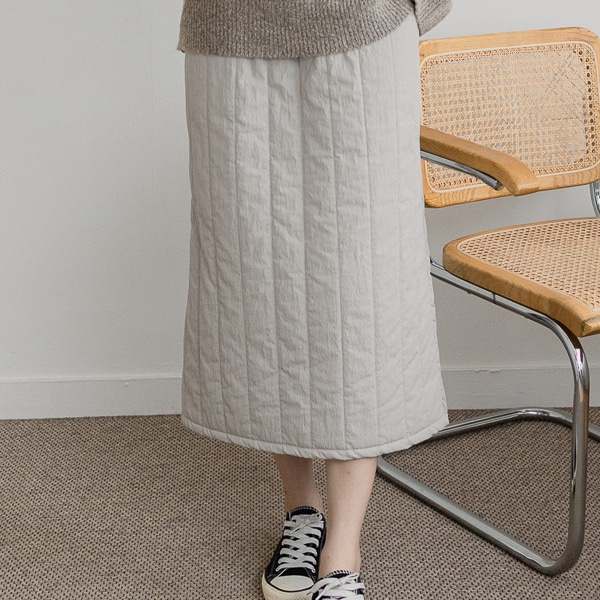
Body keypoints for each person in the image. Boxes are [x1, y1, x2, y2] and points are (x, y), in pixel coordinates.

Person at [177, 1, 452, 598]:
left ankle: (344, 548)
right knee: (261, 278)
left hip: (364, 29)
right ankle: (302, 511)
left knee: (361, 292)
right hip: (231, 33)